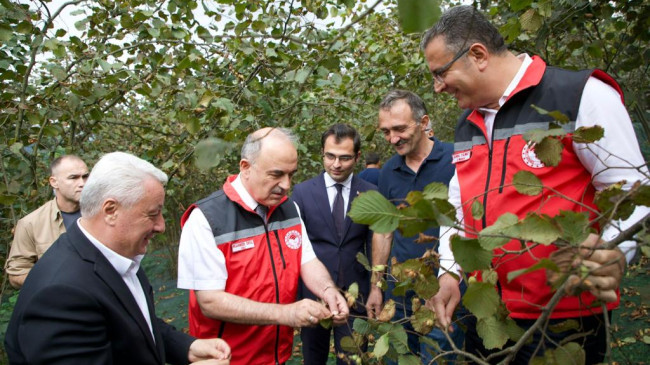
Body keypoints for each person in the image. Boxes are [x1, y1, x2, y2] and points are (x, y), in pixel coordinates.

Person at [421, 5, 649, 364]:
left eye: (440, 73)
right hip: (488, 316)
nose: (437, 87)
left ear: (478, 54)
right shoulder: (468, 123)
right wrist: (450, 272)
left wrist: (614, 249)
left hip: (563, 318)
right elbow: (459, 201)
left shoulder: (578, 95)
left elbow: (632, 187)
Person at [4, 152, 231, 365]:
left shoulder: (119, 255)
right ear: (111, 210)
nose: (161, 226)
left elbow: (136, 324)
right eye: (152, 214)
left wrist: (187, 347)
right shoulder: (62, 295)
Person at [177, 127, 350, 365]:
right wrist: (286, 314)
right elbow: (210, 301)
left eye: (291, 174)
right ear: (245, 167)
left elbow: (306, 260)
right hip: (225, 359)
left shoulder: (289, 209)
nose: (286, 185)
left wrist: (328, 291)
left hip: (277, 356)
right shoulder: (206, 219)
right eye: (276, 174)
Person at [365, 90, 462, 363]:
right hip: (402, 292)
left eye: (399, 129)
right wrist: (376, 285)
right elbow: (383, 231)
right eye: (385, 131)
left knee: (440, 357)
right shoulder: (388, 172)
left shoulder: (456, 158)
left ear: (424, 122)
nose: (392, 139)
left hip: (446, 290)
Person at [292, 124, 377, 365]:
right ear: (322, 153)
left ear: (358, 157)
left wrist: (375, 287)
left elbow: (375, 244)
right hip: (313, 294)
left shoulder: (370, 193)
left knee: (353, 360)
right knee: (314, 358)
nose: (336, 164)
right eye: (330, 156)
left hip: (356, 295)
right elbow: (297, 247)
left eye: (344, 158)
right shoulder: (302, 193)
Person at [4, 155, 89, 289]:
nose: (82, 183)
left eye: (85, 176)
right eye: (73, 178)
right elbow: (16, 274)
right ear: (54, 182)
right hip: (56, 304)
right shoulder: (30, 223)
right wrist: (53, 283)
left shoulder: (103, 214)